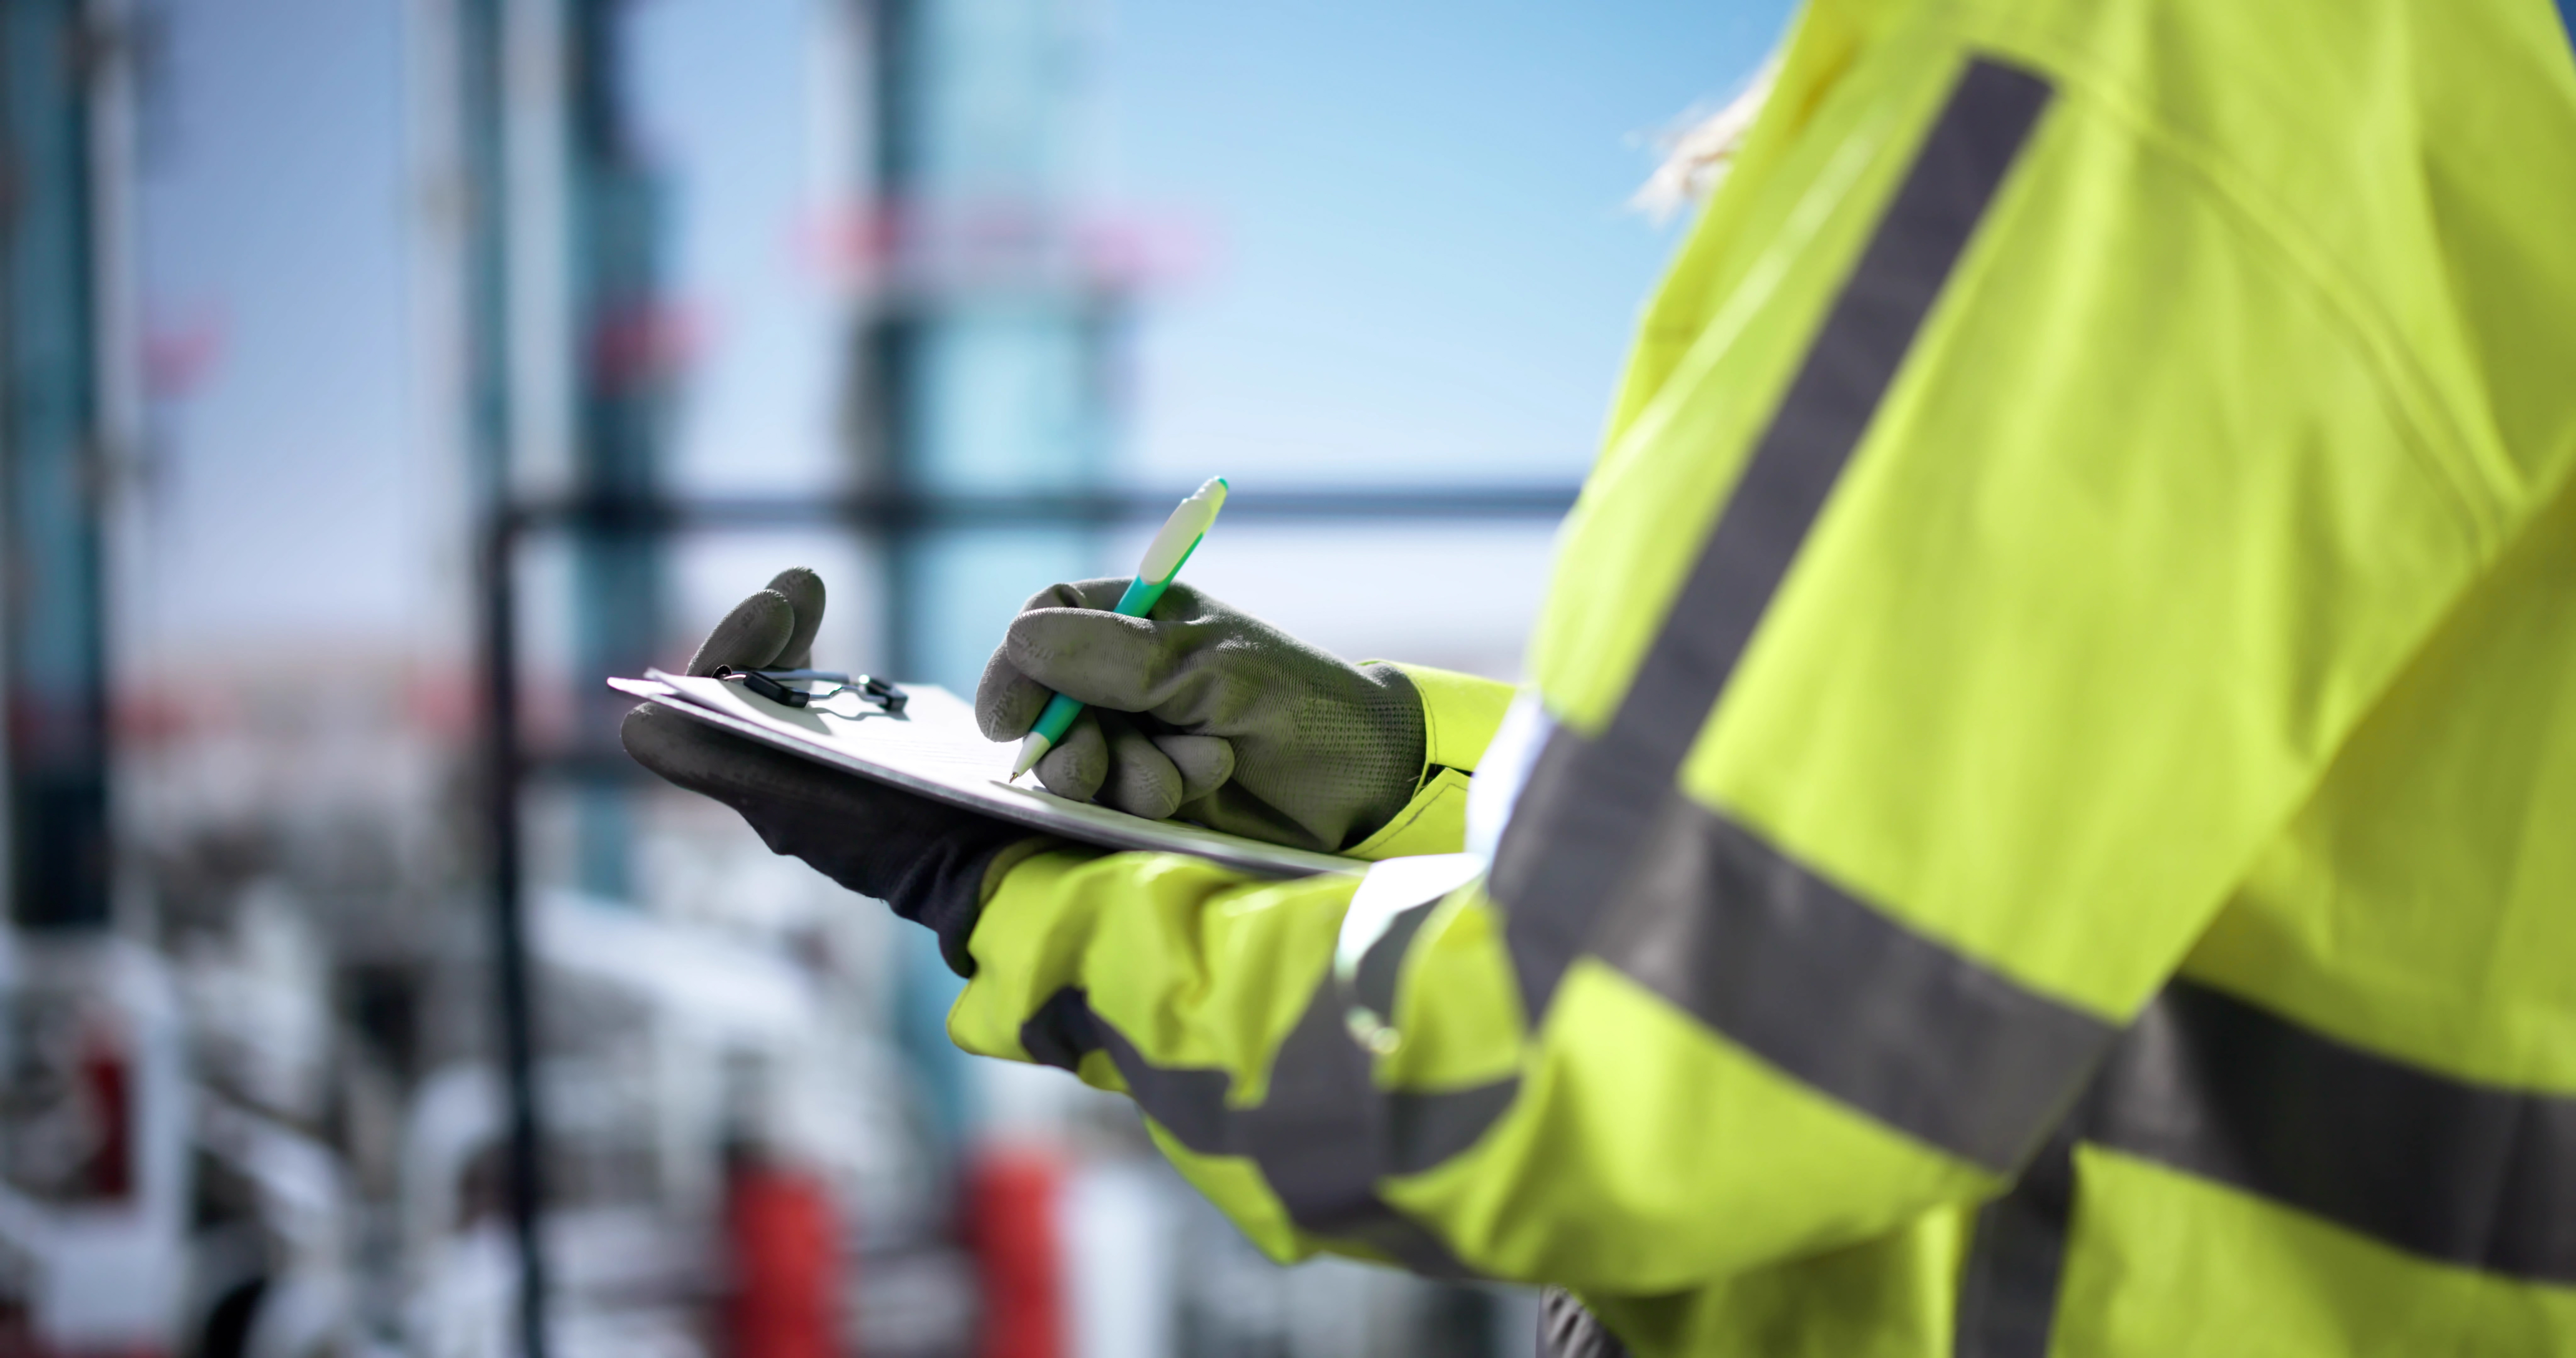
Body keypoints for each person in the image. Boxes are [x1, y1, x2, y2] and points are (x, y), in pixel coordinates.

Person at [623, 0, 2576, 1350]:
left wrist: (1033, 903)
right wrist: (1404, 777)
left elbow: (1631, 1070)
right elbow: (1978, 864)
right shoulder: (2323, 82)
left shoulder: (2143, 83)